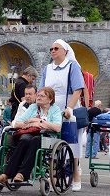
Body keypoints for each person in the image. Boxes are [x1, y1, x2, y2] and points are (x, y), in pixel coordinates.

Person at [40, 39, 86, 191]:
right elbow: (42, 90)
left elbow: (78, 89)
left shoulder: (72, 66)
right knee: (51, 143)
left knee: (72, 143)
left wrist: (70, 108)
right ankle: (54, 175)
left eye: (56, 48)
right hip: (50, 108)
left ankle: (76, 175)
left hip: (67, 107)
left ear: (65, 51)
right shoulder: (47, 68)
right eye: (51, 48)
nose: (53, 51)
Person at [0, 87, 62, 184]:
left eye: (42, 96)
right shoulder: (33, 107)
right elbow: (18, 123)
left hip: (47, 138)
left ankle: (22, 174)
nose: (39, 98)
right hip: (29, 134)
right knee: (24, 140)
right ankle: (6, 175)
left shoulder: (55, 109)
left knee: (35, 140)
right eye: (38, 95)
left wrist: (38, 121)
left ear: (50, 99)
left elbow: (57, 128)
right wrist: (31, 124)